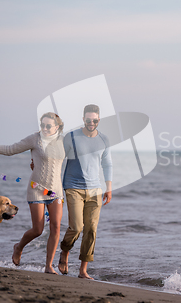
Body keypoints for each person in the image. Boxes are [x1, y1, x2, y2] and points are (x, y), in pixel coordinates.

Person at [0, 112, 65, 274]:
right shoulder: (34, 139)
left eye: (48, 126)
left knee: (56, 227)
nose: (44, 128)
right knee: (38, 230)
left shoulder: (64, 142)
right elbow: (11, 149)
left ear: (57, 127)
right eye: (42, 125)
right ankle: (19, 247)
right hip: (36, 190)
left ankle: (48, 266)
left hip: (56, 192)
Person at [58, 104, 112, 279]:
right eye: (88, 120)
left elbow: (107, 164)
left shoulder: (104, 139)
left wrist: (108, 188)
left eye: (95, 120)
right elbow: (58, 158)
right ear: (83, 119)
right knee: (77, 227)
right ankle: (65, 251)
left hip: (95, 189)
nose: (91, 123)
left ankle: (83, 270)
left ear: (98, 120)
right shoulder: (72, 137)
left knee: (91, 229)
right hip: (73, 187)